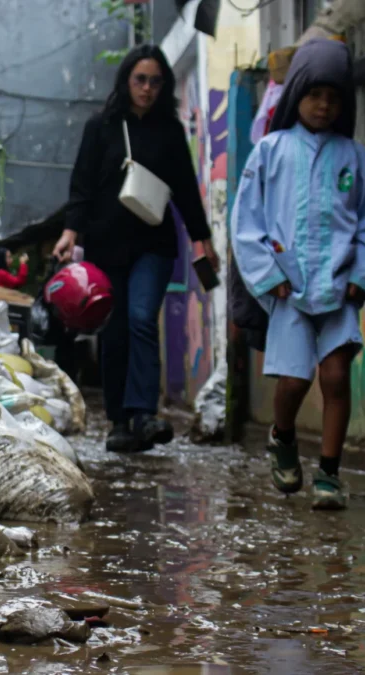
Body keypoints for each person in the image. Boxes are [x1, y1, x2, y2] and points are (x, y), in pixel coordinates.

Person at [230, 38, 365, 510]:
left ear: (344, 104)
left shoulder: (354, 157)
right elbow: (247, 221)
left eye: (333, 97)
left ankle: (330, 474)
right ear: (296, 94)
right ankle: (282, 436)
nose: (324, 105)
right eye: (315, 94)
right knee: (295, 381)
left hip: (340, 288)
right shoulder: (270, 152)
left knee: (336, 376)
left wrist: (363, 274)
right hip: (289, 288)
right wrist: (267, 275)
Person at [53, 44, 220, 454]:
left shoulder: (170, 131)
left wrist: (203, 239)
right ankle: (119, 420)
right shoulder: (101, 127)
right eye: (140, 80)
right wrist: (70, 232)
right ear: (126, 81)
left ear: (164, 87)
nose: (147, 89)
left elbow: (185, 190)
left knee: (142, 317)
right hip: (106, 246)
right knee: (116, 328)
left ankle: (144, 412)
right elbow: (82, 185)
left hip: (154, 245)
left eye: (155, 82)